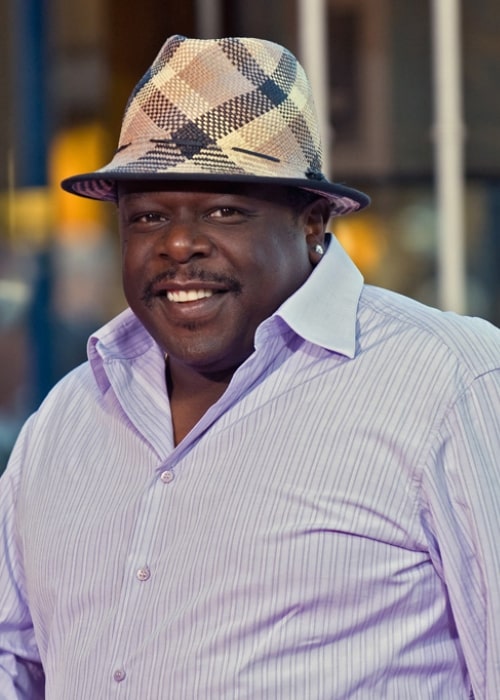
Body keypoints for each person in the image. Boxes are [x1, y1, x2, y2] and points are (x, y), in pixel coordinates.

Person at [0, 34, 499, 700]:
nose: (179, 244)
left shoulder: (448, 381)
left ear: (314, 221)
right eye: (147, 217)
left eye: (223, 210)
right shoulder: (69, 415)